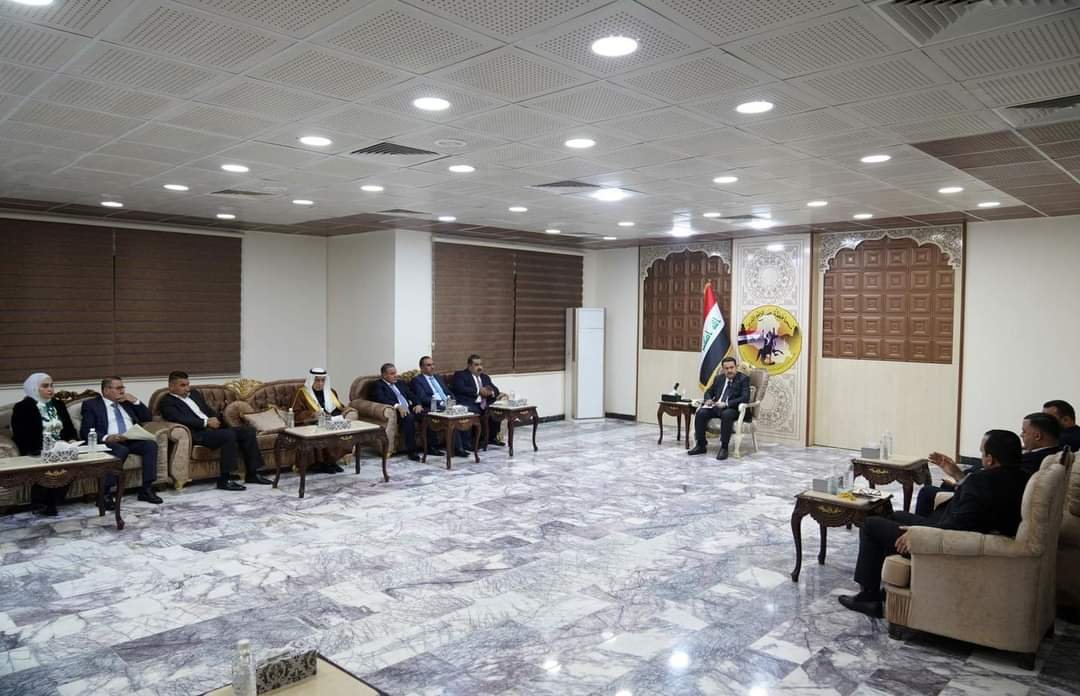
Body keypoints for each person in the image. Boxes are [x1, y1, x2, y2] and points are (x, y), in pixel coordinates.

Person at [839, 429, 1029, 618]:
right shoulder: (1023, 478)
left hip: (941, 541)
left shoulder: (981, 481)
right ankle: (892, 585)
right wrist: (957, 475)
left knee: (870, 525)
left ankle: (868, 598)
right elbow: (977, 505)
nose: (981, 457)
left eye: (982, 453)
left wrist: (917, 534)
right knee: (896, 515)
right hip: (958, 531)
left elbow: (955, 530)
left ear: (990, 459)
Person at [916, 412, 1063, 516]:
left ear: (1037, 436)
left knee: (927, 492)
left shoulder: (1035, 461)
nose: (1021, 435)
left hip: (979, 506)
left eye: (1024, 432)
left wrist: (961, 478)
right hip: (977, 494)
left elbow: (998, 486)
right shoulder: (1048, 454)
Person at [158, 371, 272, 490]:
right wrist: (206, 422)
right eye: (183, 385)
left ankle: (252, 474)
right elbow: (179, 419)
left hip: (214, 429)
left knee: (247, 431)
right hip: (198, 434)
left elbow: (207, 410)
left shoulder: (194, 394)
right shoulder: (167, 402)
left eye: (188, 384)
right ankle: (225, 480)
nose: (187, 389)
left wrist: (215, 419)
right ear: (171, 386)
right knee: (228, 435)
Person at [80, 376, 163, 509]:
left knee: (150, 446)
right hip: (110, 441)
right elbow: (85, 430)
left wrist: (135, 401)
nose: (122, 391)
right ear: (106, 390)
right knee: (121, 450)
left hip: (130, 438)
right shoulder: (92, 405)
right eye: (118, 388)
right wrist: (108, 437)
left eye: (123, 387)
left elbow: (147, 417)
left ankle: (146, 489)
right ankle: (104, 494)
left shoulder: (126, 402)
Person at [11, 372, 75, 516]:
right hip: (36, 448)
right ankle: (41, 502)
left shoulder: (58, 405)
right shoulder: (23, 407)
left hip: (61, 447)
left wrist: (71, 440)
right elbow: (21, 434)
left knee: (71, 462)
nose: (50, 389)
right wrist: (43, 448)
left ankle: (54, 502)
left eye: (52, 385)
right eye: (45, 386)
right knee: (49, 463)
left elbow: (70, 428)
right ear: (34, 388)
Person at [688, 356, 750, 460]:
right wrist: (708, 399)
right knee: (701, 413)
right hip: (717, 407)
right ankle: (701, 445)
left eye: (732, 367)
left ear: (736, 367)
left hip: (733, 408)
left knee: (726, 414)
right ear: (723, 369)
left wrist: (726, 404)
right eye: (726, 368)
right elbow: (708, 392)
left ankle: (724, 448)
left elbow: (745, 397)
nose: (729, 370)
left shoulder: (743, 379)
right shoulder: (719, 378)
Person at [291, 368, 348, 473]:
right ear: (311, 380)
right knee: (321, 431)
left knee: (338, 429)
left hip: (329, 421)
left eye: (323, 380)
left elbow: (339, 408)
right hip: (310, 422)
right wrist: (312, 414)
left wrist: (338, 417)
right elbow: (295, 413)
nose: (320, 383)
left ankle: (331, 462)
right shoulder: (301, 393)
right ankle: (320, 464)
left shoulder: (331, 392)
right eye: (317, 380)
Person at [410, 356, 469, 458]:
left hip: (447, 404)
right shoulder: (417, 380)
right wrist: (441, 403)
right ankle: (440, 447)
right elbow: (423, 398)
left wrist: (452, 400)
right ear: (422, 368)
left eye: (433, 364)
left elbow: (448, 391)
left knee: (462, 414)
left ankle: (461, 446)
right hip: (431, 406)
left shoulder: (438, 377)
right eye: (428, 365)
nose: (432, 367)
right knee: (441, 415)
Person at [371, 363, 421, 461]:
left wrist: (418, 404)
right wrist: (397, 406)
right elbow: (380, 399)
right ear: (384, 375)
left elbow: (411, 395)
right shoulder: (378, 385)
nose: (395, 376)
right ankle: (412, 451)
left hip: (409, 408)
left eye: (395, 373)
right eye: (392, 374)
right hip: (396, 412)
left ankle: (431, 446)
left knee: (427, 414)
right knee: (409, 418)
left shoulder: (400, 383)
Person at [451, 354, 504, 448]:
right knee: (472, 411)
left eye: (481, 364)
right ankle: (468, 443)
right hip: (469, 403)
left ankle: (491, 438)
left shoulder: (485, 377)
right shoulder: (460, 375)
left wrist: (490, 392)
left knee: (497, 410)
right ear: (469, 366)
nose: (480, 367)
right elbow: (460, 388)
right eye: (476, 365)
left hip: (484, 403)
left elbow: (495, 389)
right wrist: (478, 391)